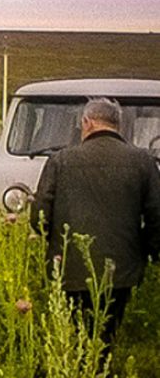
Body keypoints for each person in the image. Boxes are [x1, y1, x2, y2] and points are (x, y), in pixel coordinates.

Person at [30, 97, 160, 342]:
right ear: (118, 124)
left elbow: (39, 216)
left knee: (75, 333)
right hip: (122, 270)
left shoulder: (61, 160)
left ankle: (80, 364)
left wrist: (55, 243)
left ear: (87, 122)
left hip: (70, 268)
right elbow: (157, 216)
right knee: (106, 333)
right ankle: (101, 362)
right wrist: (146, 251)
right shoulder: (143, 161)